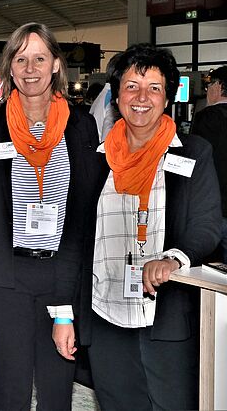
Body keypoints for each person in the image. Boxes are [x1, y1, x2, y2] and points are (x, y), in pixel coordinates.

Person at [0, 22, 100, 411]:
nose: (31, 68)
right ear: (10, 68)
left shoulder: (81, 125)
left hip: (61, 272)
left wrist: (70, 293)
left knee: (57, 390)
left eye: (39, 58)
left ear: (56, 64)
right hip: (5, 276)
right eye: (21, 59)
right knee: (10, 389)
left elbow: (87, 211)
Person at [78, 44, 222, 410]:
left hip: (166, 316)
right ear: (116, 94)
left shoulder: (192, 153)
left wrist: (174, 259)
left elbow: (207, 225)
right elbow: (75, 239)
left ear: (169, 97)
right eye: (131, 86)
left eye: (154, 88)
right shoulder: (95, 159)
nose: (142, 98)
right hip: (105, 312)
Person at [190, 66, 227, 263]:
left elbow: (195, 160)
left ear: (219, 86)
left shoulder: (207, 117)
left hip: (214, 206)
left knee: (211, 269)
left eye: (210, 84)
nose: (207, 90)